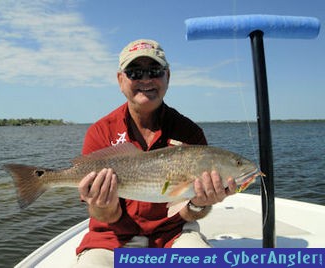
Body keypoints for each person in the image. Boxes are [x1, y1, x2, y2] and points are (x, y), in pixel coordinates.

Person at [74, 39, 237, 267]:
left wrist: (200, 204)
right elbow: (104, 217)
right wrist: (103, 205)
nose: (146, 79)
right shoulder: (100, 132)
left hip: (173, 235)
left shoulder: (190, 133)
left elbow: (189, 214)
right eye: (135, 72)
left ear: (167, 76)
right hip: (112, 237)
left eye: (154, 71)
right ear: (120, 80)